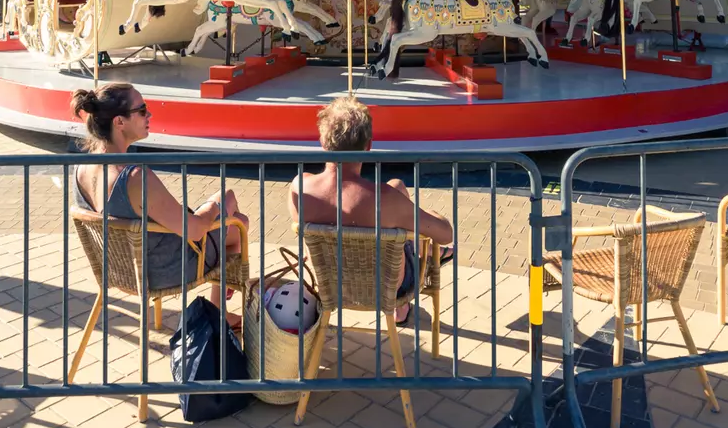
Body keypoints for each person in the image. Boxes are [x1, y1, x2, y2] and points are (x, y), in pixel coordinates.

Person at [71, 84, 248, 311]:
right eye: (142, 110)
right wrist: (217, 204)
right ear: (119, 122)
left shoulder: (80, 168)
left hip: (118, 269)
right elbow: (195, 230)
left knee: (238, 223)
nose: (150, 114)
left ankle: (220, 315)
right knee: (232, 207)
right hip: (163, 271)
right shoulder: (135, 177)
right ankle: (218, 315)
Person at [288, 96, 453, 324]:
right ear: (368, 146)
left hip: (326, 285)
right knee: (400, 204)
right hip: (386, 289)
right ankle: (403, 301)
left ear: (323, 142)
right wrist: (429, 214)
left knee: (395, 199)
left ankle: (416, 246)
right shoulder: (386, 199)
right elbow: (446, 234)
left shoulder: (300, 188)